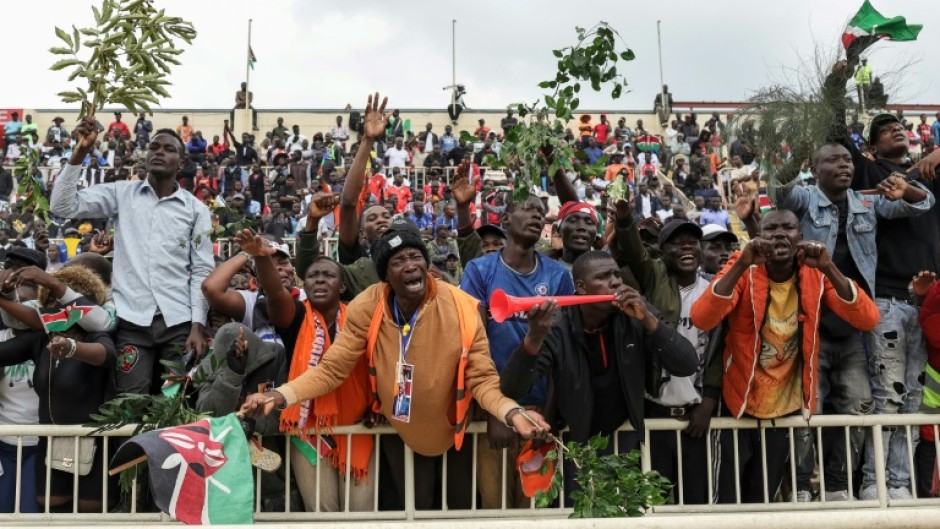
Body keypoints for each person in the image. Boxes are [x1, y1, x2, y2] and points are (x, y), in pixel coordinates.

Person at [241, 219, 550, 510]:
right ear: (386, 275)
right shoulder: (367, 304)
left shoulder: (462, 307)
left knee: (459, 509)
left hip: (453, 427)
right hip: (396, 428)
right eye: (398, 261)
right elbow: (332, 370)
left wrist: (511, 412)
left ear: (428, 265)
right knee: (411, 510)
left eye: (415, 257)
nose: (410, 266)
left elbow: (482, 378)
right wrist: (279, 396)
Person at [690, 209, 880, 504]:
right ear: (758, 237)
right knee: (727, 497)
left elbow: (868, 319)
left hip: (784, 406)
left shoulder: (817, 272)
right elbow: (702, 317)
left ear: (800, 239)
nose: (779, 233)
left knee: (763, 496)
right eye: (771, 229)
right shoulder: (744, 266)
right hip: (737, 402)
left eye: (788, 228)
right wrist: (742, 264)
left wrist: (830, 268)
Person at [826, 58, 940, 499]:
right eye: (885, 127)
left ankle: (900, 481)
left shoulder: (930, 175)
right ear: (871, 148)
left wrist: (937, 152)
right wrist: (838, 78)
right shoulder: (867, 173)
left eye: (900, 126)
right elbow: (835, 131)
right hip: (888, 301)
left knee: (912, 398)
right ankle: (876, 484)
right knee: (887, 396)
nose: (896, 129)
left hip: (928, 306)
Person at [501, 251, 697, 497]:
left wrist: (648, 319)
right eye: (604, 277)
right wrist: (533, 337)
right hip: (575, 441)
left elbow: (687, 364)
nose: (615, 282)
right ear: (581, 288)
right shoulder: (557, 325)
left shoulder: (634, 310)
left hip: (625, 435)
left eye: (616, 274)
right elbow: (512, 389)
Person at [50, 117, 213, 395]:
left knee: (173, 406)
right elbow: (63, 205)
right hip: (131, 322)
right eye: (154, 147)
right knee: (128, 404)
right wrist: (80, 151)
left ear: (183, 162)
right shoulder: (122, 194)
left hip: (178, 324)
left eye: (168, 149)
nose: (159, 152)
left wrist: (197, 326)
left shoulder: (197, 210)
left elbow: (201, 271)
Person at [459, 193, 574, 509]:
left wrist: (548, 415)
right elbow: (473, 343)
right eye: (528, 208)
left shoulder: (558, 276)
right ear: (505, 220)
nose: (537, 215)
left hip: (541, 410)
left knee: (532, 509)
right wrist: (497, 411)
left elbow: (560, 355)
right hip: (492, 409)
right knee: (495, 508)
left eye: (541, 211)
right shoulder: (479, 270)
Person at [612, 200, 723, 504]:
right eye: (676, 244)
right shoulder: (654, 278)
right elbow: (635, 253)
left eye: (692, 243)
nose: (686, 249)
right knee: (655, 504)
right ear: (662, 251)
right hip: (656, 412)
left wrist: (708, 404)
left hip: (696, 416)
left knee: (696, 503)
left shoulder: (715, 289)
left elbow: (718, 352)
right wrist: (625, 220)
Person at [0, 265, 117, 513]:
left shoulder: (97, 335)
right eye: (49, 298)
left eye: (60, 297)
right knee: (51, 511)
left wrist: (72, 348)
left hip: (93, 446)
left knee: (90, 514)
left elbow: (105, 355)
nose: (54, 303)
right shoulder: (40, 338)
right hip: (51, 444)